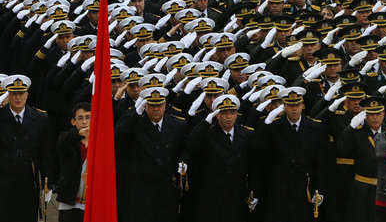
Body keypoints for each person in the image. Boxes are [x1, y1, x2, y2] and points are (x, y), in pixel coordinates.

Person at [0, 75, 53, 222]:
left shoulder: (40, 118)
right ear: (7, 95)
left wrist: (48, 183)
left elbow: (46, 153)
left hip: (27, 179)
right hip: (0, 178)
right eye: (14, 94)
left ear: (27, 95)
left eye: (21, 93)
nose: (18, 97)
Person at [115, 86, 188, 222]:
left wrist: (183, 162)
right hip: (141, 187)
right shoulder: (136, 124)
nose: (156, 109)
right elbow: (118, 136)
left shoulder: (177, 124)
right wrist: (136, 113)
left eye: (159, 105)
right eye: (152, 105)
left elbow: (184, 148)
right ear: (145, 106)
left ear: (165, 105)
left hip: (166, 186)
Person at [259, 86, 328, 222]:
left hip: (305, 185)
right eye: (290, 105)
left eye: (297, 105)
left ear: (302, 105)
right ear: (284, 106)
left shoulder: (315, 128)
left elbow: (321, 162)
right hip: (280, 186)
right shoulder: (273, 128)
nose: (294, 109)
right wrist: (265, 124)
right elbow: (262, 154)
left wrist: (319, 189)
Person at [186, 94, 258, 222]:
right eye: (224, 113)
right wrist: (205, 123)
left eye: (232, 113)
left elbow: (254, 166)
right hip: (213, 195)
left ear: (237, 114)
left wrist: (253, 191)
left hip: (237, 194)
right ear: (217, 115)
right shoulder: (208, 134)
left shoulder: (247, 135)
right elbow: (190, 145)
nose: (228, 117)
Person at [338, 96, 386, 222]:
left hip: (385, 189)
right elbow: (342, 148)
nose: (375, 117)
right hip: (362, 189)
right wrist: (350, 128)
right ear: (365, 115)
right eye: (371, 114)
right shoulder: (357, 133)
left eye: (378, 113)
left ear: (383, 114)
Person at [56, 102, 91, 222]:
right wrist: (78, 134)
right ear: (73, 122)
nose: (84, 122)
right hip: (69, 203)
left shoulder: (101, 142)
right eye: (80, 118)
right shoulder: (67, 139)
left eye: (88, 117)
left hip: (91, 203)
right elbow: (61, 145)